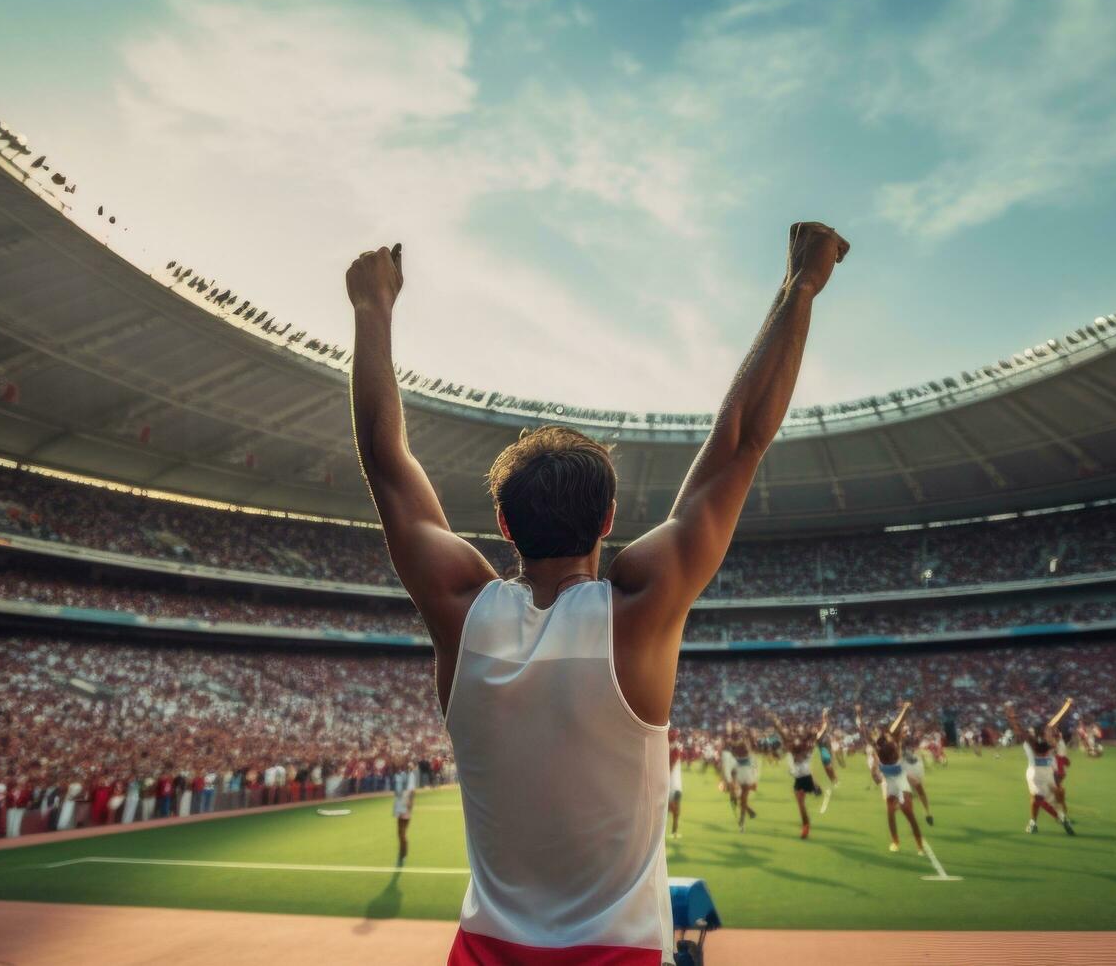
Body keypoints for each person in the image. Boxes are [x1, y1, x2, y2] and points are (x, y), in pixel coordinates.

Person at [345, 222, 849, 963]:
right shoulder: (636, 612)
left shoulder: (462, 611)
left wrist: (372, 306)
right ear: (609, 520)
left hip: (481, 952)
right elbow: (737, 442)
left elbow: (386, 462)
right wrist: (799, 285)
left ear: (502, 523)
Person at [859, 703, 925, 855]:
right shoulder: (879, 746)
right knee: (890, 813)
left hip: (900, 780)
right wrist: (859, 716)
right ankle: (895, 842)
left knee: (908, 812)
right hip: (890, 783)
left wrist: (905, 710)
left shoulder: (893, 740)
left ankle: (919, 845)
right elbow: (864, 732)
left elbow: (898, 723)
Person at [1005, 703, 1074, 835]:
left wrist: (1011, 717)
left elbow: (1018, 729)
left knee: (1038, 798)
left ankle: (1038, 822)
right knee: (1051, 798)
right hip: (1048, 772)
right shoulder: (1050, 741)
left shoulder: (1031, 740)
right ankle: (1059, 817)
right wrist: (1066, 707)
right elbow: (1055, 722)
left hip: (1035, 773)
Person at [768, 709, 829, 839]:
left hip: (806, 776)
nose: (797, 733)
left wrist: (824, 718)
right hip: (799, 777)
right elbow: (781, 731)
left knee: (801, 801)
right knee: (800, 804)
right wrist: (774, 719)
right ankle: (806, 825)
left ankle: (814, 787)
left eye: (799, 732)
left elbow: (822, 730)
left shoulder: (809, 744)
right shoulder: (792, 743)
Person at [723, 720, 760, 831]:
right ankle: (749, 812)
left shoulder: (743, 740)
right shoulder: (733, 741)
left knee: (743, 798)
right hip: (738, 768)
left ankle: (742, 822)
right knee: (736, 797)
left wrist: (729, 732)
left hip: (747, 771)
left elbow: (737, 744)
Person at [390, 754, 417, 866]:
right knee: (399, 832)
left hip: (405, 805)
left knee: (402, 832)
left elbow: (412, 792)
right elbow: (397, 791)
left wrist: (409, 805)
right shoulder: (399, 775)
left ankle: (403, 853)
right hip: (399, 805)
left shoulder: (410, 776)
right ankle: (402, 852)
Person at [666, 736, 683, 841]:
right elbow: (671, 766)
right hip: (673, 784)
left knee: (672, 810)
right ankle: (674, 831)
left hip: (671, 783)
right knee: (675, 810)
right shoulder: (675, 751)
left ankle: (674, 831)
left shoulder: (669, 749)